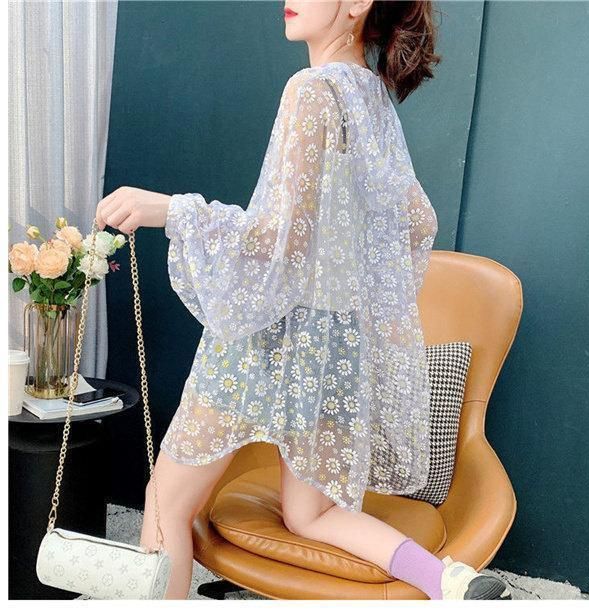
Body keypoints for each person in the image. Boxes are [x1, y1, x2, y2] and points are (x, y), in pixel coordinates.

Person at [96, 0, 512, 601]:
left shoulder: (311, 89)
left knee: (167, 503)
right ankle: (447, 580)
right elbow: (419, 221)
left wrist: (171, 209)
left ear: (357, 4)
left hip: (268, 336)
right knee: (313, 513)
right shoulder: (371, 97)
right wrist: (350, 277)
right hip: (336, 342)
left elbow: (277, 237)